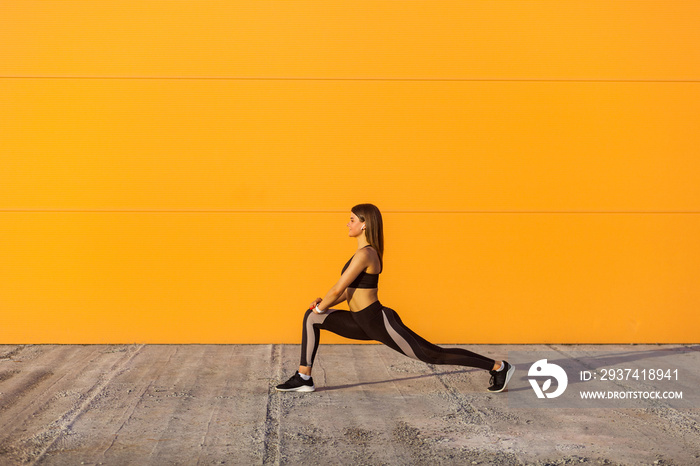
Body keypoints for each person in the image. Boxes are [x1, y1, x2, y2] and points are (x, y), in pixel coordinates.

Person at [276, 203, 514, 393]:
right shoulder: (360, 254)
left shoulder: (366, 253)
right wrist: (321, 307)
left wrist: (323, 306)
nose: (347, 223)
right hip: (361, 321)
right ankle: (304, 377)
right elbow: (348, 294)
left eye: (351, 219)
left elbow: (337, 289)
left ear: (364, 224)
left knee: (433, 354)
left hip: (378, 321)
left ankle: (498, 367)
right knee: (311, 318)